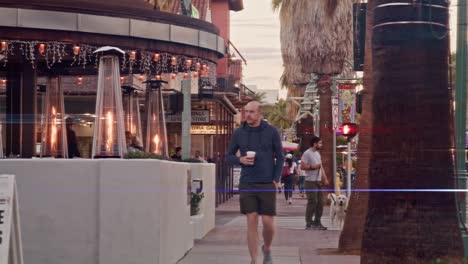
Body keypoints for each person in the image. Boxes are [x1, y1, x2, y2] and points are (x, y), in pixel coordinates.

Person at [226, 101, 283, 264]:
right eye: (245, 112)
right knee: (251, 218)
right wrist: (240, 159)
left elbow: (279, 157)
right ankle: (255, 260)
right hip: (247, 182)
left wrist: (276, 179)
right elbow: (228, 156)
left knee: (267, 222)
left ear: (260, 114)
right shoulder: (239, 133)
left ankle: (267, 248)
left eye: (251, 112)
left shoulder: (271, 132)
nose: (247, 115)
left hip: (267, 182)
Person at [301, 135, 329, 230]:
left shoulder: (317, 153)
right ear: (314, 144)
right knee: (313, 202)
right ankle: (308, 222)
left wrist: (325, 178)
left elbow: (321, 166)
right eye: (320, 143)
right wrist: (312, 167)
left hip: (318, 181)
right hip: (310, 181)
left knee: (320, 202)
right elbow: (302, 166)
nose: (321, 145)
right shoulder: (307, 153)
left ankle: (317, 222)